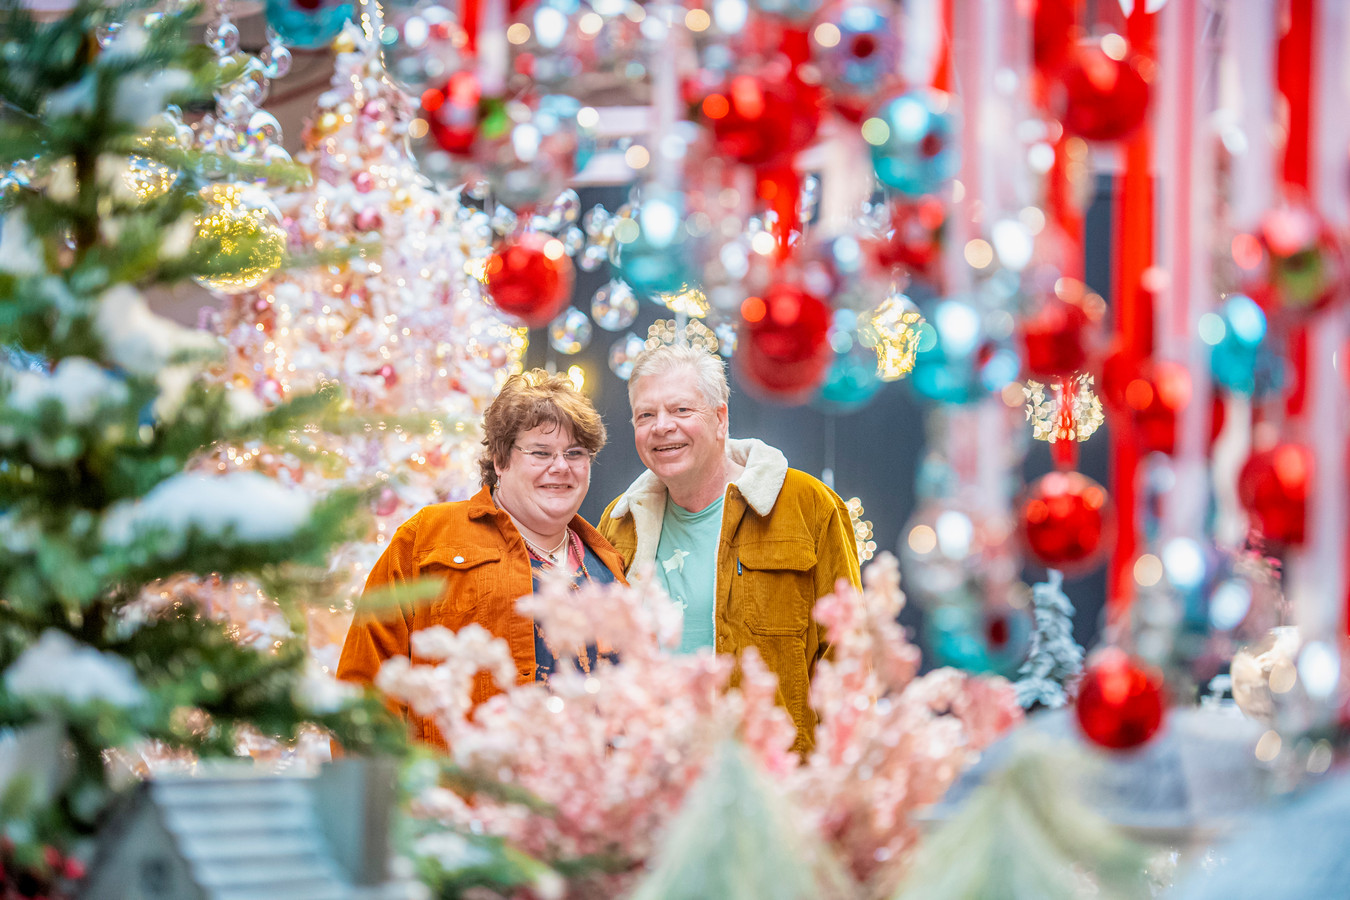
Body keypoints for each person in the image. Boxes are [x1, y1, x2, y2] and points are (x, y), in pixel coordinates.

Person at [337, 369, 626, 750]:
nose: (561, 466)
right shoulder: (426, 537)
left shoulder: (607, 562)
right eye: (541, 452)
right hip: (468, 800)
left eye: (575, 453)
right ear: (500, 460)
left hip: (592, 801)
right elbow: (366, 689)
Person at [599, 343, 861, 754]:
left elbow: (850, 658)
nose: (661, 426)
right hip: (654, 788)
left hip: (773, 790)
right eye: (645, 415)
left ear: (721, 418)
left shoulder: (808, 505)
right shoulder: (619, 522)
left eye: (681, 410)